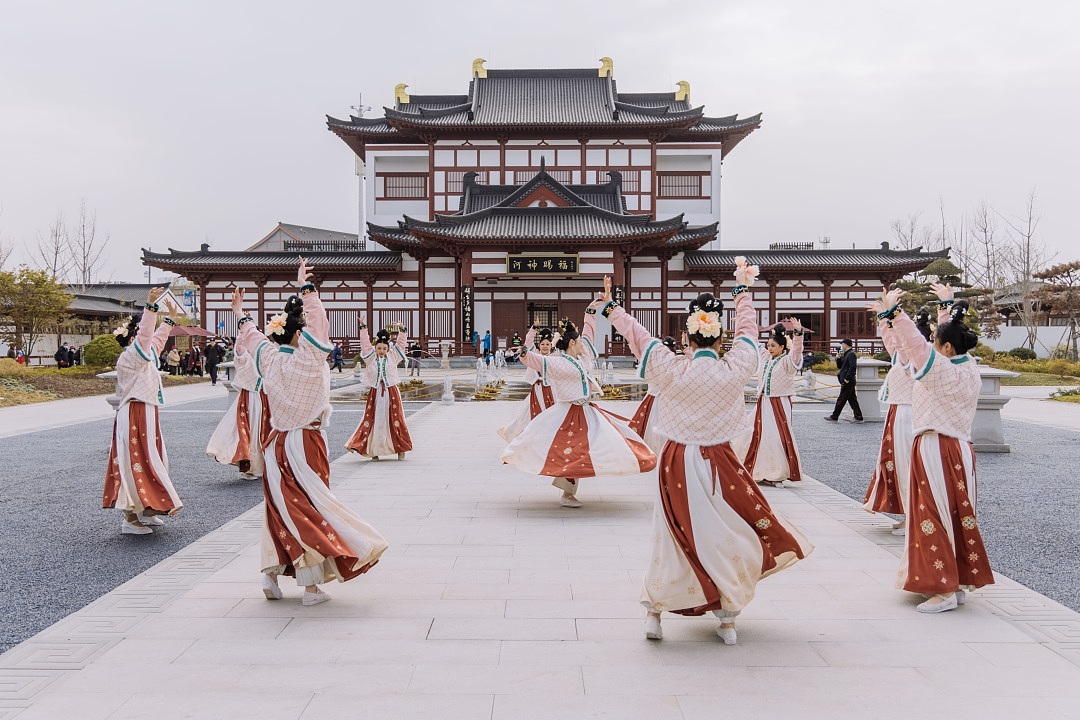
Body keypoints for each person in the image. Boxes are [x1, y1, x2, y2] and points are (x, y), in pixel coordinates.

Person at [602, 263, 812, 645]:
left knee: (669, 534)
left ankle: (654, 613)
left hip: (677, 461)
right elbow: (749, 334)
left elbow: (641, 337)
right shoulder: (734, 369)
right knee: (723, 534)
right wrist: (742, 292)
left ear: (686, 337)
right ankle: (727, 616)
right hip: (720, 462)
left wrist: (613, 309)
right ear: (720, 339)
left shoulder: (669, 369)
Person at [232, 256, 389, 606]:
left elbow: (253, 335)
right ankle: (311, 586)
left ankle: (271, 576)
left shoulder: (270, 360)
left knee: (279, 507)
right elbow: (319, 327)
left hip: (276, 443)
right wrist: (307, 289)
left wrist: (240, 312)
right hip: (305, 440)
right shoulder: (309, 359)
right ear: (301, 333)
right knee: (310, 506)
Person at [870, 285, 992, 614]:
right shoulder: (969, 367)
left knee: (932, 514)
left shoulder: (939, 370)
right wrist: (946, 309)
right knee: (958, 515)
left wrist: (893, 313)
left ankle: (942, 588)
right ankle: (959, 580)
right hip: (960, 449)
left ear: (946, 347)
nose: (931, 344)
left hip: (936, 447)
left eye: (936, 341)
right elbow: (939, 339)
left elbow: (914, 344)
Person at [501, 308, 656, 509]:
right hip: (569, 413)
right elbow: (535, 360)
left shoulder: (582, 359)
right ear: (572, 343)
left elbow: (589, 335)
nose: (584, 343)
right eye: (579, 341)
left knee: (610, 440)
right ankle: (567, 493)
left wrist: (590, 312)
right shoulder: (558, 363)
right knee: (572, 451)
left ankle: (606, 467)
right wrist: (523, 351)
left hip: (587, 411)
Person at [102, 290, 185, 534]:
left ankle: (148, 508)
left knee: (152, 459)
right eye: (139, 337)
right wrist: (150, 308)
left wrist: (169, 320)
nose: (144, 341)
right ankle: (130, 517)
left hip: (146, 411)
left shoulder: (144, 355)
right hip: (135, 411)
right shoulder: (129, 357)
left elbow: (156, 340)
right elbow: (148, 335)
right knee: (135, 460)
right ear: (132, 339)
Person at [862, 305, 936, 530]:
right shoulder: (903, 354)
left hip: (909, 414)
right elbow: (890, 341)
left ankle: (915, 514)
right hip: (898, 413)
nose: (900, 342)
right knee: (897, 463)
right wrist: (884, 318)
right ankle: (908, 512)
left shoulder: (918, 356)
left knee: (908, 464)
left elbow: (899, 344)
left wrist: (890, 317)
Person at [743, 320, 805, 487]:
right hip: (764, 401)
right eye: (769, 345)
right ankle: (759, 470)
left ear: (782, 347)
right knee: (756, 434)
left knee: (777, 436)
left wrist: (798, 334)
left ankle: (777, 474)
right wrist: (746, 323)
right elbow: (754, 344)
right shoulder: (766, 358)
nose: (769, 348)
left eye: (773, 346)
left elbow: (797, 353)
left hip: (779, 402)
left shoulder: (787, 362)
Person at [344, 322, 414, 461]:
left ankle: (401, 448)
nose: (381, 350)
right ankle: (373, 450)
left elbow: (401, 345)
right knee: (373, 420)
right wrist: (364, 329)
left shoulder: (393, 357)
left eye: (384, 348)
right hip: (376, 393)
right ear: (375, 348)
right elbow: (365, 345)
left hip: (391, 392)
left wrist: (402, 331)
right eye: (379, 348)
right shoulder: (371, 358)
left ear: (388, 348)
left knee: (395, 420)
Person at [206, 338, 271, 478]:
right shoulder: (246, 354)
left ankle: (261, 465)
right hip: (251, 396)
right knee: (250, 429)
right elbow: (240, 353)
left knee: (262, 430)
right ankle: (251, 465)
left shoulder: (265, 353)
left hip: (263, 395)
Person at [497, 326, 557, 443]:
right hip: (538, 389)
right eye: (543, 344)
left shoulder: (554, 357)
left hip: (552, 390)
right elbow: (528, 343)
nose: (545, 346)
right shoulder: (534, 355)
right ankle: (534, 438)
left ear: (551, 346)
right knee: (532, 413)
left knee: (552, 414)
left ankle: (550, 438)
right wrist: (533, 329)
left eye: (547, 344)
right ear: (539, 345)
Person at [627, 336, 677, 453]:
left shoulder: (654, 360)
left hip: (653, 398)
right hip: (668, 400)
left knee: (649, 430)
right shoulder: (675, 361)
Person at [825, 338, 863, 422]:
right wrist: (838, 358)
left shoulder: (851, 354)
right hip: (847, 379)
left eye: (842, 344)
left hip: (848, 380)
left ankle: (835, 416)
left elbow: (852, 367)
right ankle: (858, 416)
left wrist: (847, 378)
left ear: (845, 344)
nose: (841, 345)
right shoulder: (846, 354)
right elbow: (840, 367)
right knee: (852, 399)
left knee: (841, 398)